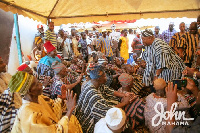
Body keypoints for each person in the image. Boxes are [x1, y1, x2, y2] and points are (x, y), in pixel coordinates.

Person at [9, 71, 82, 133]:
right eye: (37, 84)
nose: (41, 85)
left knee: (72, 120)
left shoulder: (39, 98)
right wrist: (69, 111)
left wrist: (61, 99)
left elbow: (52, 112)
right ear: (29, 91)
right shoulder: (29, 114)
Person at [75, 65, 134, 133]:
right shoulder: (92, 93)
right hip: (88, 122)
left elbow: (108, 90)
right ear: (98, 79)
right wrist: (124, 103)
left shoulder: (95, 83)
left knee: (117, 104)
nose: (106, 78)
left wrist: (124, 95)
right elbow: (106, 110)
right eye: (104, 76)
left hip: (100, 109)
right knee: (117, 120)